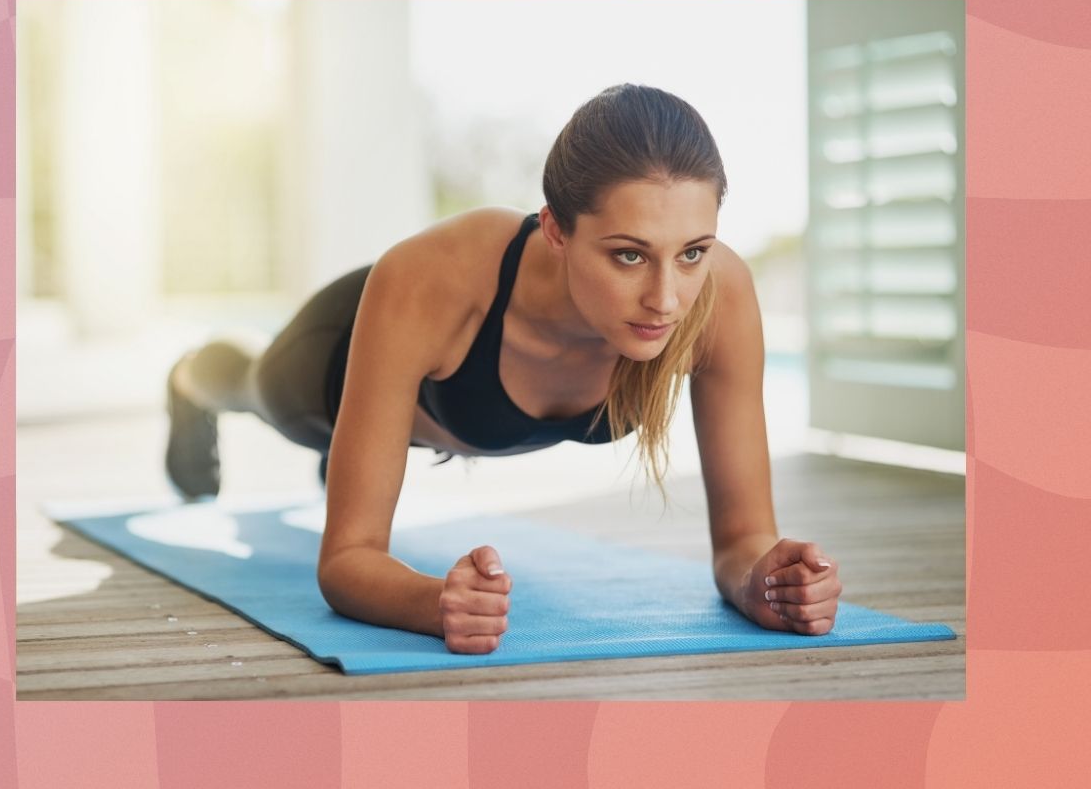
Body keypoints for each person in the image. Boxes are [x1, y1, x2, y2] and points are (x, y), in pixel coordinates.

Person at [164, 83, 842, 654]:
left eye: (692, 251)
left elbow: (743, 538)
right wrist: (434, 603)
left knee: (352, 458)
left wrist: (766, 580)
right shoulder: (433, 279)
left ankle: (360, 457)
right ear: (555, 229)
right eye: (629, 255)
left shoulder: (720, 297)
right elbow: (346, 560)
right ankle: (188, 378)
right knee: (247, 385)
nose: (666, 299)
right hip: (333, 359)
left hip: (434, 414)